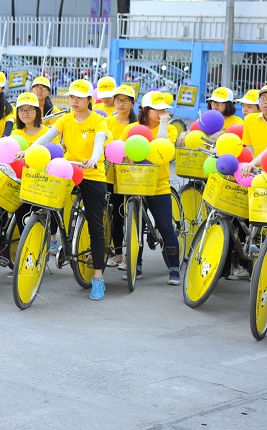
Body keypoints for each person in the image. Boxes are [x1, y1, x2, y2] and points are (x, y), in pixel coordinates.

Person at [25, 80, 108, 300]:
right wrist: (29, 150)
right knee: (49, 202)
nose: (74, 101)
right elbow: (47, 137)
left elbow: (100, 141)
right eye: (72, 97)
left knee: (95, 225)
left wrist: (94, 158)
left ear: (89, 99)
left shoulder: (99, 120)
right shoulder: (65, 119)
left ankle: (98, 278)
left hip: (91, 173)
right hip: (68, 171)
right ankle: (53, 238)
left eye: (79, 97)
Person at [125, 92, 181, 285]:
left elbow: (163, 148)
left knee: (165, 226)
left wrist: (164, 123)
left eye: (164, 109)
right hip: (135, 183)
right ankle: (136, 265)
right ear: (146, 110)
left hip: (159, 184)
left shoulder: (170, 129)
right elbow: (125, 152)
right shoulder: (132, 128)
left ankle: (174, 267)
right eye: (157, 109)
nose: (161, 112)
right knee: (135, 228)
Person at [105, 84, 137, 268]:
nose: (121, 104)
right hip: (108, 175)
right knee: (113, 216)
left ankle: (129, 255)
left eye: (125, 100)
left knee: (127, 215)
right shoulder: (108, 122)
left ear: (132, 103)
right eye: (118, 100)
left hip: (128, 176)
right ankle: (117, 253)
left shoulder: (136, 125)